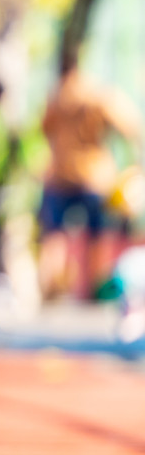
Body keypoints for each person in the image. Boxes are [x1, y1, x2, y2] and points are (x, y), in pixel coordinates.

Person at [38, 53, 143, 300]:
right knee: (98, 236)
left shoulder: (56, 97)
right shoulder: (97, 95)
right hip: (94, 175)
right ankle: (94, 291)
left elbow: (44, 130)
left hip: (60, 175)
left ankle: (50, 289)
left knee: (54, 236)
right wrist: (134, 159)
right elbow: (130, 124)